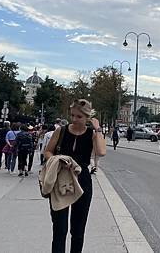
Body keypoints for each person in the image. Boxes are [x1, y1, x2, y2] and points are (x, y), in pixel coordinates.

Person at [44, 98, 106, 253]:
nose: (74, 119)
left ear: (87, 117)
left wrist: (98, 130)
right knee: (60, 229)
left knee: (78, 231)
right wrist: (57, 160)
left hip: (82, 181)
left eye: (79, 116)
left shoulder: (92, 134)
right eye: (72, 115)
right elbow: (47, 151)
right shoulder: (61, 130)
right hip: (61, 180)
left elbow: (101, 152)